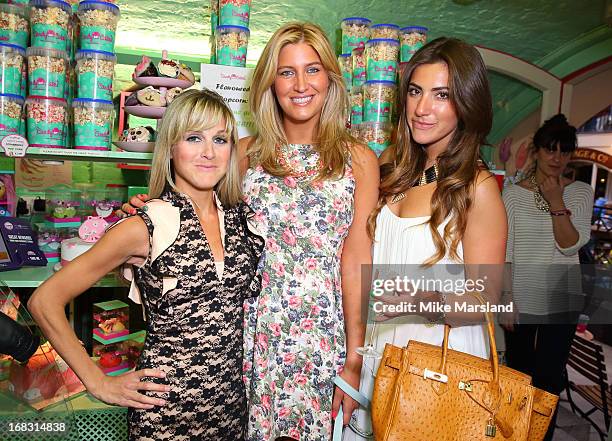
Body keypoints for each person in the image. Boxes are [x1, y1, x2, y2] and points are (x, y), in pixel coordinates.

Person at [121, 22, 379, 440]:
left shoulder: (359, 160)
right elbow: (191, 221)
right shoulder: (242, 154)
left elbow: (356, 260)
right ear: (270, 84)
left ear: (330, 79)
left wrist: (354, 357)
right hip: (246, 336)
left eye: (312, 70)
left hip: (321, 338)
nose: (300, 84)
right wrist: (142, 213)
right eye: (286, 71)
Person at [28, 89, 265, 440]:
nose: (208, 152)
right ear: (170, 146)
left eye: (220, 139)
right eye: (194, 138)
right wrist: (98, 382)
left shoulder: (241, 220)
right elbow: (44, 301)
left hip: (229, 412)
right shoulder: (145, 225)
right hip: (163, 416)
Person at [346, 37, 508, 439]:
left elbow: (489, 299)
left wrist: (418, 300)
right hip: (380, 352)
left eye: (442, 95)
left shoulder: (477, 187)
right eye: (416, 92)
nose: (422, 108)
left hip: (438, 363)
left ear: (467, 104)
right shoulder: (391, 166)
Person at [502, 114, 593, 441]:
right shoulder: (513, 194)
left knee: (549, 378)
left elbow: (570, 246)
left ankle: (541, 437)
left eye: (565, 152)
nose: (558, 158)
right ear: (536, 151)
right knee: (519, 374)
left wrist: (557, 202)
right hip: (521, 296)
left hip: (562, 299)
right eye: (551, 150)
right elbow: (507, 251)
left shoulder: (581, 193)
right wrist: (505, 299)